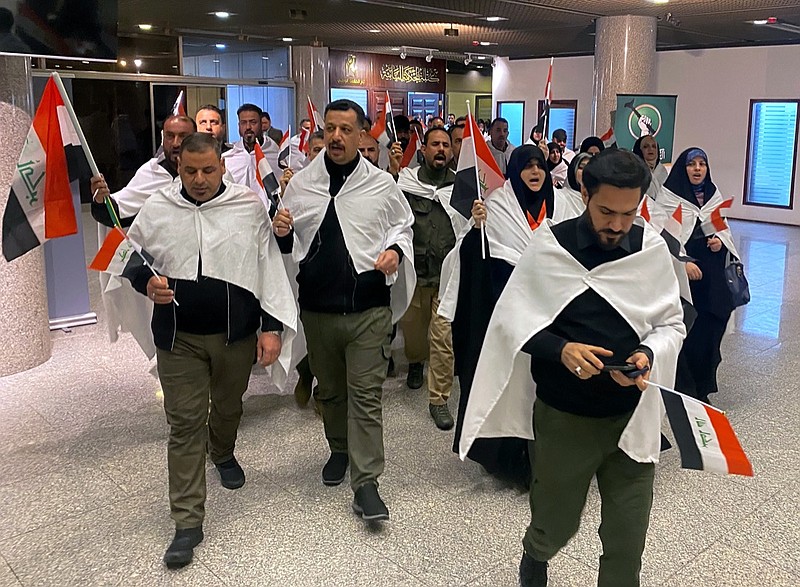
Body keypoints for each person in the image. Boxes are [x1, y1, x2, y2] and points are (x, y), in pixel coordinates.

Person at [459, 149, 686, 587]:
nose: (617, 225)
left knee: (627, 537)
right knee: (556, 523)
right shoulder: (551, 245)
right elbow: (511, 320)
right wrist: (561, 349)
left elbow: (671, 323)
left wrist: (649, 353)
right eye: (606, 211)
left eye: (628, 212)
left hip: (632, 417)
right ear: (584, 192)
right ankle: (535, 556)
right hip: (565, 418)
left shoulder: (650, 249)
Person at [123, 132, 296, 569]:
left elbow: (267, 266)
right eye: (189, 171)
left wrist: (270, 327)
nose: (199, 180)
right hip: (178, 337)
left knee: (228, 405)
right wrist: (147, 282)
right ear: (178, 167)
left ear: (222, 166)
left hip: (233, 335)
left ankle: (222, 450)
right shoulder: (160, 205)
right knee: (183, 425)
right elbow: (131, 257)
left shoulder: (246, 207)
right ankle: (186, 520)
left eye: (208, 170)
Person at [272, 99, 415, 522]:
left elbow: (401, 226)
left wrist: (394, 250)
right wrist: (281, 231)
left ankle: (367, 482)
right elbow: (288, 244)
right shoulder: (301, 186)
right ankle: (339, 449)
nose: (336, 136)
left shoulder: (381, 185)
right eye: (330, 128)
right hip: (318, 309)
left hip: (368, 308)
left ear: (361, 136)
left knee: (367, 396)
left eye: (346, 130)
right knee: (331, 391)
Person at [442, 145, 579, 488]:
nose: (534, 172)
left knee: (549, 388)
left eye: (539, 166)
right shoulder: (497, 205)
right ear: (515, 170)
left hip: (556, 312)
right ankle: (509, 459)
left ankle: (550, 458)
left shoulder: (564, 205)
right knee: (513, 389)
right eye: (527, 166)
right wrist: (477, 229)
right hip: (510, 312)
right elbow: (476, 258)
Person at [397, 128, 467, 430]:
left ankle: (438, 399)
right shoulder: (408, 183)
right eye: (434, 144)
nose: (441, 149)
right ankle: (414, 362)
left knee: (442, 338)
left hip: (446, 276)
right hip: (414, 275)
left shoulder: (463, 187)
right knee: (413, 331)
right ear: (423, 149)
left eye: (445, 145)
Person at [662, 148, 739, 404]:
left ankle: (704, 385)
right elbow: (662, 238)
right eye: (691, 164)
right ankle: (686, 387)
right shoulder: (668, 197)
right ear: (682, 169)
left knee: (711, 331)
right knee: (688, 334)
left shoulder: (712, 196)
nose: (697, 169)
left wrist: (719, 241)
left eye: (702, 164)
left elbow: (722, 230)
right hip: (683, 280)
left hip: (711, 280)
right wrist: (681, 263)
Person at [222, 103, 280, 193]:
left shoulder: (275, 153)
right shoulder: (229, 157)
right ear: (239, 126)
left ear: (261, 124)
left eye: (253, 122)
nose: (248, 127)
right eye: (243, 123)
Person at [555, 152, 591, 218]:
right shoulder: (561, 196)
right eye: (581, 167)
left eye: (589, 167)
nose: (586, 171)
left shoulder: (598, 198)